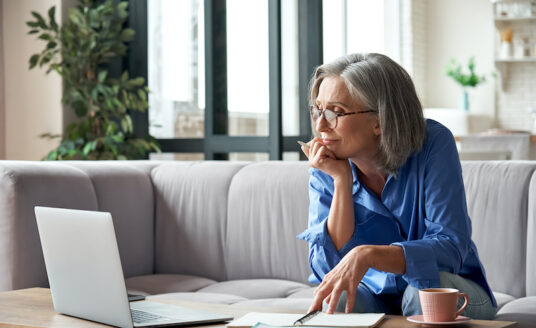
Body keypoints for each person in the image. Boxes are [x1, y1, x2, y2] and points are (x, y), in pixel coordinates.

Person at [297, 53, 497, 319]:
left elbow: (451, 247)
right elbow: (328, 270)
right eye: (317, 110)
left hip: (452, 291)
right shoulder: (327, 163)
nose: (321, 125)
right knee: (339, 298)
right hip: (376, 295)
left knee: (422, 292)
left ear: (379, 120)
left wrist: (369, 255)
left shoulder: (433, 144)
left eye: (336, 112)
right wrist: (341, 181)